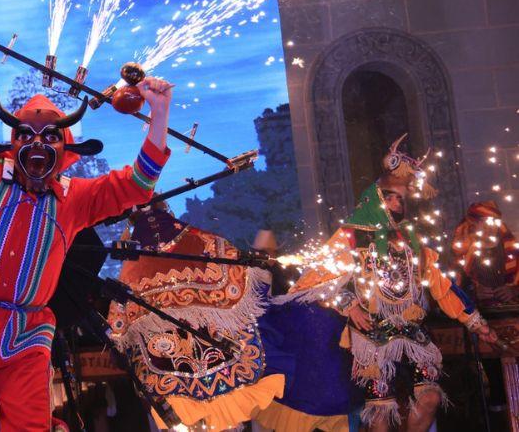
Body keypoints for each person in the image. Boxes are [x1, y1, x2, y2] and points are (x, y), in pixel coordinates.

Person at [0, 39, 173, 431]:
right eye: (25, 134)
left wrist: (159, 113)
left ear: (66, 148)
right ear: (12, 142)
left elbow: (137, 185)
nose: (37, 143)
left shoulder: (76, 198)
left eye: (50, 136)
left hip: (24, 338)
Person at [286, 135, 500, 431]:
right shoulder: (351, 236)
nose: (397, 204)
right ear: (375, 197)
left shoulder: (412, 239)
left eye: (401, 198)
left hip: (412, 329)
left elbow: (442, 286)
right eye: (390, 197)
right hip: (371, 333)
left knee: (430, 398)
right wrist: (349, 305)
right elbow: (313, 283)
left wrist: (476, 323)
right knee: (380, 411)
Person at [106, 206, 286, 430]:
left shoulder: (132, 265)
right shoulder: (200, 240)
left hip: (169, 371)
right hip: (220, 359)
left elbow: (119, 325)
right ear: (167, 211)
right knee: (228, 414)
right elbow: (236, 265)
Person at [451, 200, 519, 306]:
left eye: (494, 221)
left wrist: (513, 290)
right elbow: (452, 288)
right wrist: (473, 292)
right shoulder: (462, 251)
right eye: (484, 221)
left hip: (511, 309)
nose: (489, 226)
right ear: (474, 223)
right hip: (478, 311)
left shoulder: (512, 248)